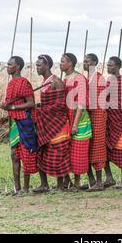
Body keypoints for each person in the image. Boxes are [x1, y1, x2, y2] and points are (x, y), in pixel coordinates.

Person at [0, 56, 38, 195]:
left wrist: (13, 108)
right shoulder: (10, 84)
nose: (7, 67)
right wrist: (6, 114)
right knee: (14, 156)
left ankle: (26, 188)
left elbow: (31, 103)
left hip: (24, 122)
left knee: (26, 154)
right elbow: (10, 104)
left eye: (10, 64)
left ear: (17, 67)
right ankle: (17, 188)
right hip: (14, 124)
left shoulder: (24, 83)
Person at [34, 54, 71, 192]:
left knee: (59, 152)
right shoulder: (45, 82)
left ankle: (61, 185)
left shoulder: (56, 82)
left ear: (47, 65)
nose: (37, 68)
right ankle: (45, 185)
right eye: (36, 65)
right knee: (42, 152)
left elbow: (61, 105)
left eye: (39, 65)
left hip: (58, 123)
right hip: (46, 123)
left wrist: (40, 109)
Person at [60, 53, 93, 191]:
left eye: (63, 61)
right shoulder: (63, 79)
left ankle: (78, 182)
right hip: (67, 117)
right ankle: (68, 181)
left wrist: (75, 123)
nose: (61, 64)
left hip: (79, 119)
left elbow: (81, 103)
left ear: (71, 63)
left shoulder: (79, 78)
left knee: (78, 150)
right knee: (66, 151)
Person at [104, 57, 122, 189]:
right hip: (109, 120)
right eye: (108, 65)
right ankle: (109, 177)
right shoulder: (108, 81)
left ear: (118, 66)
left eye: (111, 65)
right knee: (104, 148)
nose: (109, 67)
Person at [83, 53, 107, 191]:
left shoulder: (98, 79)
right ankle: (92, 180)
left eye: (87, 61)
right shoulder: (88, 78)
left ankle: (99, 182)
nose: (84, 63)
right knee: (88, 147)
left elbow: (94, 101)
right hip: (89, 116)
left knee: (97, 147)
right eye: (84, 61)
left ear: (94, 63)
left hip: (97, 115)